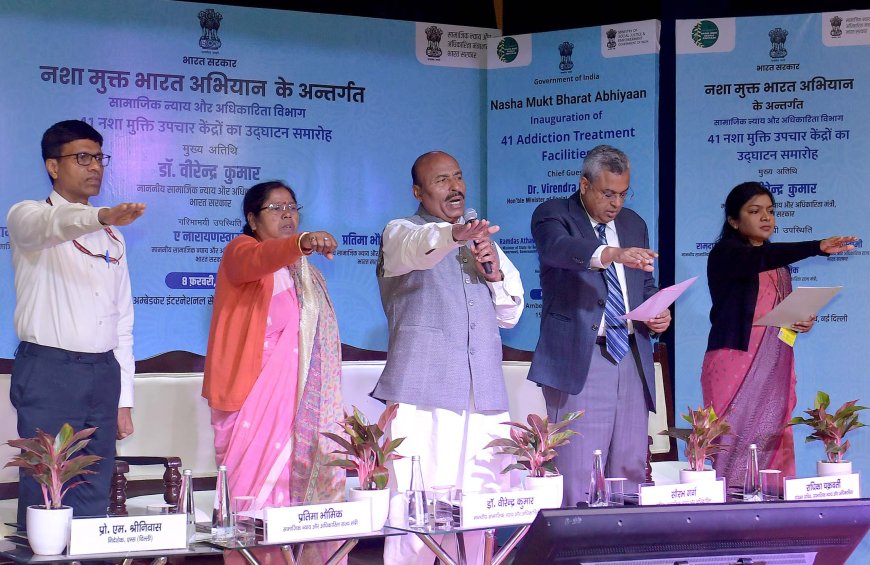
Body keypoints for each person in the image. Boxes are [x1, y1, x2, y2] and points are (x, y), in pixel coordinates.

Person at [371, 150, 524, 565]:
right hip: (424, 397)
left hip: (483, 400)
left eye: (457, 177)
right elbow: (420, 246)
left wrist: (491, 273)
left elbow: (510, 313)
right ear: (418, 192)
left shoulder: (480, 238)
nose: (454, 186)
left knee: (480, 508)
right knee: (415, 513)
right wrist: (452, 236)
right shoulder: (400, 232)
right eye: (441, 180)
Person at [6, 119, 145, 528]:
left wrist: (124, 397)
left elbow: (123, 322)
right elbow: (58, 225)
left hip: (103, 375)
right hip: (50, 372)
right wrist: (101, 215)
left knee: (92, 490)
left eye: (100, 158)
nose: (95, 167)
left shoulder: (114, 237)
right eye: (82, 158)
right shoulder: (27, 216)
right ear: (52, 166)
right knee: (46, 490)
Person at [201, 180, 343, 564]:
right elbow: (258, 261)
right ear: (251, 219)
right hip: (252, 402)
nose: (287, 215)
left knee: (296, 500)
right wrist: (302, 243)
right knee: (255, 505)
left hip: (300, 411)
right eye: (276, 208)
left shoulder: (306, 275)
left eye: (292, 207)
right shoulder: (241, 252)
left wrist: (300, 250)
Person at [527, 144, 671, 505]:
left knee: (629, 466)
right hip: (582, 357)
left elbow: (643, 285)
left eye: (623, 194)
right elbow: (558, 250)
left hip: (631, 356)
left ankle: (628, 556)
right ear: (584, 184)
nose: (616, 204)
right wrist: (611, 254)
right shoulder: (553, 214)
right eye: (608, 194)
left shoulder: (634, 223)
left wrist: (658, 315)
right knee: (579, 470)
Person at [700, 181, 856, 486]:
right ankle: (730, 510)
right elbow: (757, 261)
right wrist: (816, 247)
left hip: (776, 357)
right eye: (754, 211)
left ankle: (771, 499)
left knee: (771, 429)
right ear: (733, 220)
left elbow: (776, 307)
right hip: (736, 357)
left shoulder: (777, 262)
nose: (766, 218)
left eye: (770, 211)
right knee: (734, 433)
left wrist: (800, 318)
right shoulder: (727, 253)